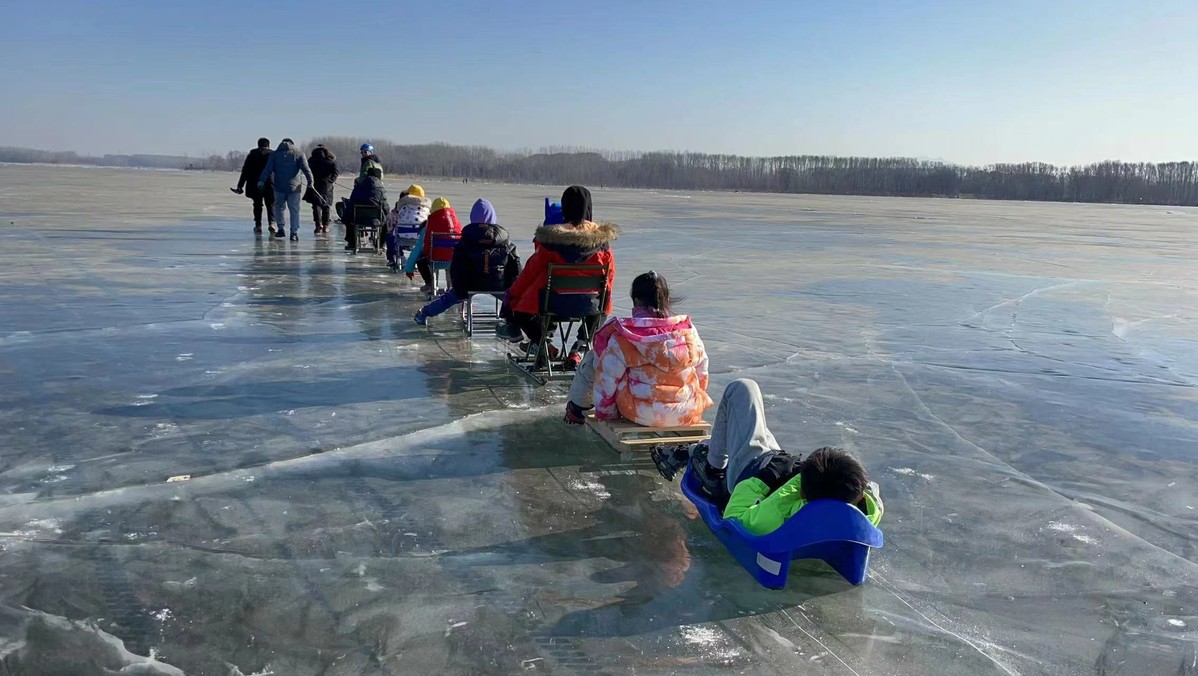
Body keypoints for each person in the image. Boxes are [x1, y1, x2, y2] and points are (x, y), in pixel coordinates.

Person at [650, 379, 884, 534]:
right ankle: (696, 449)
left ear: (803, 492)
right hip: (782, 463)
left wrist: (794, 483)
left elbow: (734, 518)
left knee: (742, 389)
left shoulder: (775, 513)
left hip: (756, 470)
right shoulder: (867, 514)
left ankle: (711, 465)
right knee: (747, 431)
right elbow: (872, 492)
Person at [563, 271, 712, 426]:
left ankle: (576, 410)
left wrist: (607, 415)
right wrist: (693, 400)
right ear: (666, 299)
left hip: (640, 412)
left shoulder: (625, 336)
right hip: (686, 411)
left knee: (592, 360)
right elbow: (702, 371)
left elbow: (606, 381)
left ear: (636, 300)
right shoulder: (688, 332)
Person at [504, 186, 619, 359]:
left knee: (519, 309)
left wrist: (512, 297)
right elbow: (609, 277)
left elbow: (529, 274)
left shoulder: (551, 243)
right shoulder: (603, 246)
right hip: (589, 305)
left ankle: (543, 343)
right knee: (603, 308)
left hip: (553, 304)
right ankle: (579, 347)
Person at [414, 199, 522, 324]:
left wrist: (459, 287)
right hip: (498, 284)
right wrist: (511, 287)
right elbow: (516, 267)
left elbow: (457, 267)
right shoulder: (505, 241)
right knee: (518, 302)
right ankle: (527, 326)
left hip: (469, 285)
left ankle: (424, 313)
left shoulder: (464, 241)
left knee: (448, 299)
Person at [257, 138, 315, 241]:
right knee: (294, 210)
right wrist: (311, 182)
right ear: (293, 144)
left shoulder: (274, 155)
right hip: (294, 187)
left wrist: (261, 181)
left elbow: (267, 169)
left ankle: (280, 229)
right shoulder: (299, 154)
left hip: (279, 186)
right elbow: (306, 169)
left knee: (279, 208)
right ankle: (293, 232)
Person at [404, 197, 462, 294]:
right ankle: (452, 286)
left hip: (435, 260)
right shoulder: (456, 224)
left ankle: (430, 284)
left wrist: (409, 268)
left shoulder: (428, 225)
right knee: (450, 257)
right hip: (454, 261)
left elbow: (419, 249)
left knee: (421, 261)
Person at [231, 137, 274, 234]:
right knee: (270, 204)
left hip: (255, 184)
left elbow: (245, 171)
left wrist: (240, 186)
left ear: (258, 145)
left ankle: (258, 225)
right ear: (268, 145)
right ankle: (272, 223)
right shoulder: (273, 155)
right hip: (270, 183)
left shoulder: (252, 155)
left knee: (257, 204)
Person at [385, 184, 431, 271]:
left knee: (392, 235)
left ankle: (398, 257)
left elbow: (396, 220)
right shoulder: (426, 209)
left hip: (402, 235)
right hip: (419, 238)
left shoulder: (403, 207)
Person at [342, 167, 389, 251]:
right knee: (387, 220)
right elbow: (385, 208)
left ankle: (352, 242)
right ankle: (382, 243)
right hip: (375, 219)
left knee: (349, 216)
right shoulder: (381, 189)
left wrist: (346, 216)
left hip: (358, 218)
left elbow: (351, 203)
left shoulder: (358, 187)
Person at [306, 145, 339, 234]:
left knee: (316, 206)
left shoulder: (311, 161)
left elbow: (306, 170)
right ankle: (326, 226)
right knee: (326, 206)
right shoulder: (331, 161)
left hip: (314, 184)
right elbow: (336, 172)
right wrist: (331, 180)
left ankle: (318, 224)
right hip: (327, 186)